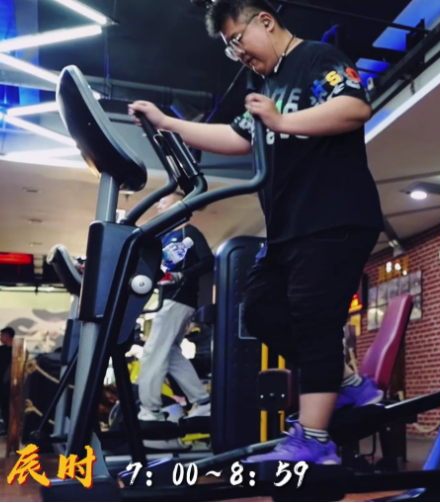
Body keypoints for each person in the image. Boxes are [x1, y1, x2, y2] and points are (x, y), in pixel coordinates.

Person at [128, 0, 384, 465]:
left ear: (264, 21)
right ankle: (347, 384)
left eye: (237, 40)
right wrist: (167, 123)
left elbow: (354, 106)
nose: (238, 53)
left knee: (312, 319)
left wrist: (282, 121)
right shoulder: (268, 84)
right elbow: (238, 137)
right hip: (289, 228)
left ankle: (315, 440)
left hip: (335, 216)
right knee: (262, 311)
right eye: (230, 48)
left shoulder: (316, 58)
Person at [137, 192, 214, 424]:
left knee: (153, 352)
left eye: (164, 203)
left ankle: (150, 410)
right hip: (167, 299)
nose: (159, 207)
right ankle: (203, 402)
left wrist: (183, 275)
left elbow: (208, 261)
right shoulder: (165, 237)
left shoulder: (188, 232)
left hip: (178, 299)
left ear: (178, 206)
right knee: (170, 353)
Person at [0, 327, 13, 434]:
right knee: (4, 405)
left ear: (7, 336)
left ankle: (9, 427)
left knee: (8, 405)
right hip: (2, 382)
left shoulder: (17, 350)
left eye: (2, 335)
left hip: (10, 383)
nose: (0, 337)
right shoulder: (1, 349)